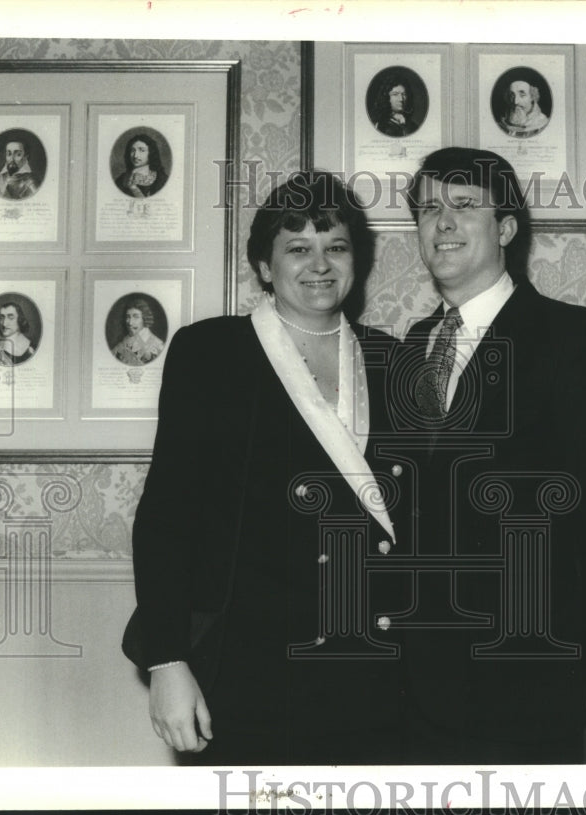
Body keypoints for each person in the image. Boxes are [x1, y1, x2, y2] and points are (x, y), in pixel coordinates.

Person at [128, 171, 407, 766]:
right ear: (262, 265)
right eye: (297, 248)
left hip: (374, 669)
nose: (320, 265)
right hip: (246, 669)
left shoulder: (389, 359)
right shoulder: (212, 352)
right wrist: (167, 661)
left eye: (336, 246)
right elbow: (166, 515)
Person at [395, 147, 586, 764]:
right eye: (430, 209)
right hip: (414, 683)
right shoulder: (413, 345)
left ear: (506, 229)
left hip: (529, 674)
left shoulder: (575, 339)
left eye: (465, 206)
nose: (443, 224)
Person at [111, 299, 165, 366]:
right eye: (128, 317)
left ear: (144, 319)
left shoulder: (158, 346)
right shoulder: (123, 343)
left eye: (136, 317)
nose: (130, 323)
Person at [115, 133, 169, 197]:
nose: (135, 155)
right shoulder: (121, 179)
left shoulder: (161, 179)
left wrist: (134, 189)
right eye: (132, 150)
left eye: (142, 150)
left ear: (151, 153)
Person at [0, 301, 36, 365]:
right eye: (1, 318)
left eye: (10, 317)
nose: (4, 323)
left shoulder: (33, 348)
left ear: (20, 320)